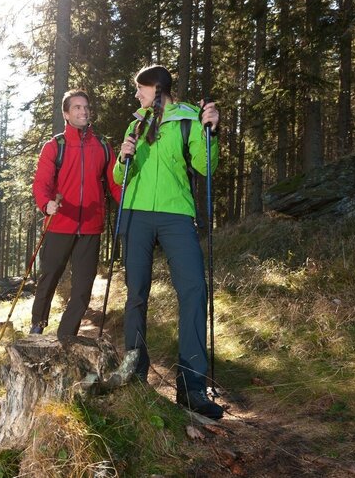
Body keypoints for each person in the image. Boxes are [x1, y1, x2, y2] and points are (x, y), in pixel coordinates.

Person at [113, 64, 223, 419]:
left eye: (139, 89)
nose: (136, 95)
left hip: (177, 214)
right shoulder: (136, 124)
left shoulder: (189, 118)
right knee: (136, 294)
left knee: (193, 289)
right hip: (136, 214)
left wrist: (212, 132)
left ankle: (191, 388)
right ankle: (134, 374)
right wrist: (122, 157)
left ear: (156, 88)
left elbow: (206, 168)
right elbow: (120, 177)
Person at [31, 89, 121, 336]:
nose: (83, 111)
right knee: (49, 278)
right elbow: (41, 183)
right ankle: (37, 325)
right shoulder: (54, 146)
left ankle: (66, 335)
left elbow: (114, 183)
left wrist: (128, 205)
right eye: (77, 107)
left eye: (85, 107)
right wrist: (46, 203)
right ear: (66, 114)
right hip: (59, 224)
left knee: (83, 286)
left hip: (91, 227)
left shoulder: (102, 145)